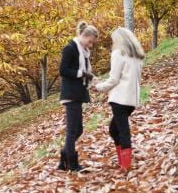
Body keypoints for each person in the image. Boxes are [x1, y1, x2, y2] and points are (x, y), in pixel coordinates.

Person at [93, 27, 145, 170]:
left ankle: (126, 165)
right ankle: (122, 162)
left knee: (122, 131)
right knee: (113, 129)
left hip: (120, 99)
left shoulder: (118, 53)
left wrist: (99, 87)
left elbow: (114, 79)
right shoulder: (137, 57)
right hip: (131, 100)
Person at [58, 21, 99, 172]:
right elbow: (63, 70)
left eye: (92, 43)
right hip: (71, 93)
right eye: (90, 41)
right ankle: (72, 165)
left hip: (78, 93)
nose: (91, 45)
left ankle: (64, 159)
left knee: (78, 130)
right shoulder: (70, 48)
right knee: (72, 131)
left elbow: (85, 72)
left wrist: (90, 78)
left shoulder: (84, 52)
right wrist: (83, 74)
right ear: (83, 35)